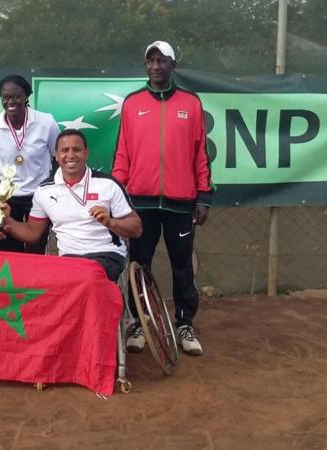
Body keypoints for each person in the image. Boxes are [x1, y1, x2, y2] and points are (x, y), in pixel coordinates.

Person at [112, 40, 213, 356]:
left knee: (182, 266)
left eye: (162, 61)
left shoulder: (191, 103)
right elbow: (123, 153)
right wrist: (118, 197)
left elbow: (201, 155)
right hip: (140, 204)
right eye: (150, 60)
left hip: (180, 204)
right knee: (139, 266)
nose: (155, 66)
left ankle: (184, 324)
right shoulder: (132, 103)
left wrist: (203, 196)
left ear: (173, 66)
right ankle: (140, 324)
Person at [1, 129, 142, 282]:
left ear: (86, 153)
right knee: (45, 282)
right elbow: (32, 232)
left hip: (106, 254)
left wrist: (110, 222)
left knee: (86, 277)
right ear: (56, 156)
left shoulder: (108, 184)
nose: (71, 155)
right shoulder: (44, 190)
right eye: (64, 150)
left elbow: (136, 229)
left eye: (77, 150)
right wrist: (6, 219)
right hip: (69, 259)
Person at [0, 74, 60, 254]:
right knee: (8, 248)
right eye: (5, 97)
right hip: (5, 198)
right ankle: (13, 282)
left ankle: (33, 282)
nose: (10, 101)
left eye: (16, 96)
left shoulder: (46, 122)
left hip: (38, 195)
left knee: (35, 247)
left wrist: (53, 186)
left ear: (26, 96)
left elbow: (57, 156)